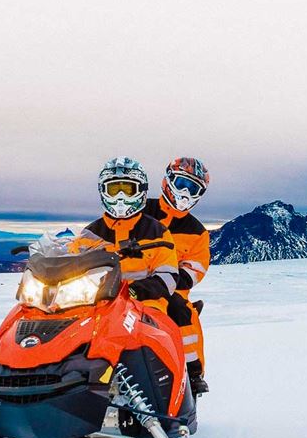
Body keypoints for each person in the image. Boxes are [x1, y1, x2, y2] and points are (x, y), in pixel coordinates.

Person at [71, 157, 179, 313]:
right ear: (103, 191)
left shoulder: (157, 232)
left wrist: (134, 291)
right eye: (114, 190)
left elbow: (168, 277)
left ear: (141, 190)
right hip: (96, 307)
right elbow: (71, 271)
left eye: (128, 190)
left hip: (146, 307)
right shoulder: (88, 235)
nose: (120, 197)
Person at [144, 157, 211, 395]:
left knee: (182, 312)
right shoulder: (141, 212)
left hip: (169, 291)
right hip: (126, 284)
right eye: (182, 183)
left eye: (192, 188)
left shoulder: (197, 232)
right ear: (168, 181)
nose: (185, 192)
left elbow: (196, 267)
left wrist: (169, 281)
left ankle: (192, 374)